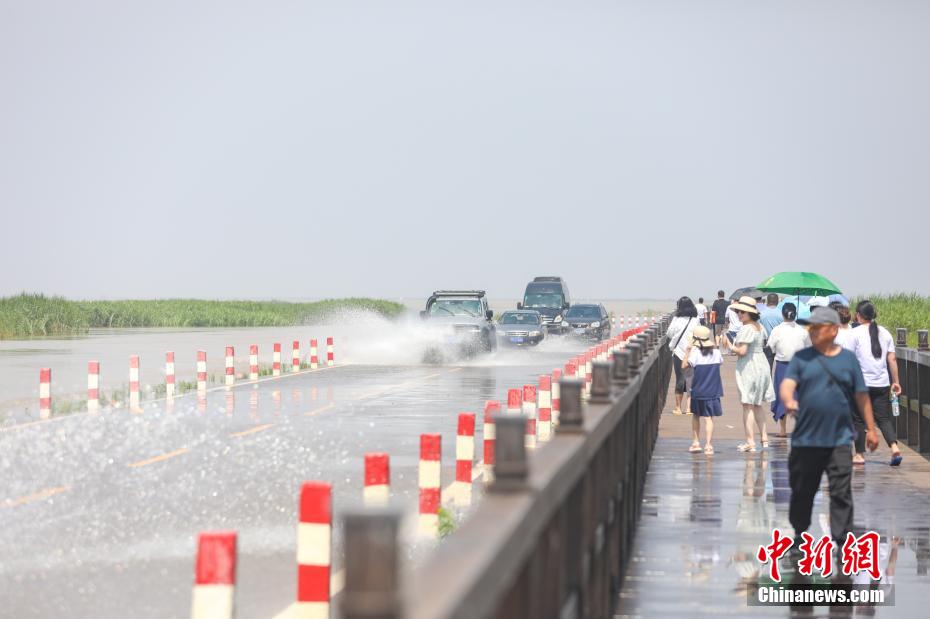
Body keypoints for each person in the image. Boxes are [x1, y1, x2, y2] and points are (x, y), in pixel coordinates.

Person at [780, 306, 879, 546]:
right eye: (810, 328)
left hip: (838, 439)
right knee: (803, 490)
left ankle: (842, 538)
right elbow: (787, 385)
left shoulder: (848, 360)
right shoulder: (802, 358)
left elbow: (861, 396)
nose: (811, 332)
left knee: (840, 492)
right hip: (806, 440)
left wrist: (871, 429)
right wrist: (789, 400)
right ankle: (799, 533)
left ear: (833, 330)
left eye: (817, 327)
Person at [848, 300, 903, 466]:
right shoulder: (885, 333)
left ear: (858, 315)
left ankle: (859, 454)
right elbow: (892, 359)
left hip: (861, 384)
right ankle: (894, 448)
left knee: (858, 419)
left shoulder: (854, 333)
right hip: (881, 383)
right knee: (883, 418)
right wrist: (896, 382)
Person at [728, 295, 776, 452]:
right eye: (738, 311)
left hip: (750, 366)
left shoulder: (746, 328)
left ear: (750, 313)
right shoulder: (759, 327)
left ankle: (750, 441)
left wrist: (728, 345)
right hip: (761, 364)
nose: (739, 314)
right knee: (757, 404)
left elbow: (742, 351)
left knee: (747, 405)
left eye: (742, 312)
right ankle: (764, 438)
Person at [766, 303, 810, 438]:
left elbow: (770, 347)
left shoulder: (777, 330)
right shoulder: (803, 331)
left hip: (783, 367)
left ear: (783, 314)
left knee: (782, 397)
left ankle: (783, 430)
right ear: (795, 314)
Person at [682, 325, 723, 455]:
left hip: (698, 388)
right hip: (713, 389)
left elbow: (684, 366)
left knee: (696, 415)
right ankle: (709, 445)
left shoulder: (695, 354)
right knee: (709, 418)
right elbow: (720, 362)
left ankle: (696, 442)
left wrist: (687, 351)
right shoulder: (716, 352)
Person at [666, 296, 699, 415]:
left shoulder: (676, 319)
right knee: (690, 379)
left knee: (679, 378)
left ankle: (678, 407)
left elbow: (669, 333)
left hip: (679, 353)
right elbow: (698, 334)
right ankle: (689, 408)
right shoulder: (695, 320)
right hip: (692, 352)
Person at [759, 293, 783, 369]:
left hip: (766, 343)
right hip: (780, 343)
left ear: (767, 301)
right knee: (780, 366)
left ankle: (768, 380)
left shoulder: (761, 314)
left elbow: (758, 329)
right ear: (777, 302)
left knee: (768, 366)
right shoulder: (782, 314)